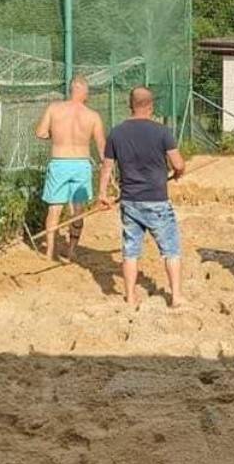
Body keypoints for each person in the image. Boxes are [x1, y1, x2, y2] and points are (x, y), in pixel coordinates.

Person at [97, 87, 186, 309]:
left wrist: (102, 194)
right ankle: (175, 296)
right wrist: (177, 174)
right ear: (150, 106)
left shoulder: (117, 133)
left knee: (130, 251)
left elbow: (106, 167)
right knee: (170, 250)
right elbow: (179, 163)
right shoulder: (162, 131)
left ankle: (129, 295)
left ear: (131, 106)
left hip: (129, 201)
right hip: (156, 199)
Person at [34, 75, 106, 260]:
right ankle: (71, 250)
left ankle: (49, 251)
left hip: (59, 162)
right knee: (78, 209)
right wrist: (107, 169)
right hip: (81, 164)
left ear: (71, 90)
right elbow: (101, 147)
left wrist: (57, 135)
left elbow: (40, 133)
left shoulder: (54, 109)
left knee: (55, 208)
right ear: (84, 92)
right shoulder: (93, 116)